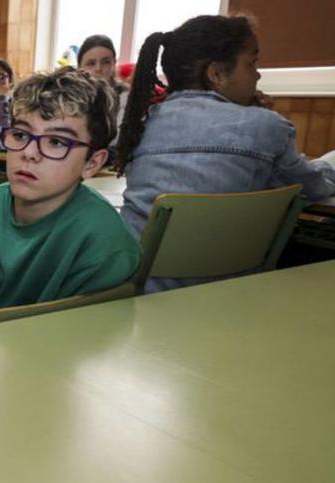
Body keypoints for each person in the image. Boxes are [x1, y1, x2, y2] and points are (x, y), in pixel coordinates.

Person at [116, 15, 335, 289]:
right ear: (216, 74)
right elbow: (317, 188)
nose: (257, 74)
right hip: (229, 293)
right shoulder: (266, 126)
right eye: (252, 63)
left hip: (139, 291)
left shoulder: (142, 124)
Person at [0, 67, 142, 327]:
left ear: (92, 163)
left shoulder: (107, 243)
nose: (30, 153)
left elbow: (91, 338)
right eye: (21, 135)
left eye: (56, 142)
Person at [77, 34, 129, 141]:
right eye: (91, 63)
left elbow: (119, 139)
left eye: (106, 62)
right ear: (79, 67)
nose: (98, 68)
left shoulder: (124, 97)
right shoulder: (72, 95)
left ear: (114, 64)